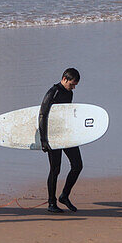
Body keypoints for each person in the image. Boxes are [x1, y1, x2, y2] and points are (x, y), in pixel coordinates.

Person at [39, 67, 82, 213]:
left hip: (66, 135)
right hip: (53, 136)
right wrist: (43, 140)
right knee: (55, 169)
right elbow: (42, 114)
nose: (73, 87)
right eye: (72, 84)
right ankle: (52, 203)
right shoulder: (53, 92)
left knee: (77, 165)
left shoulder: (69, 93)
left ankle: (64, 195)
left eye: (75, 85)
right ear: (64, 79)